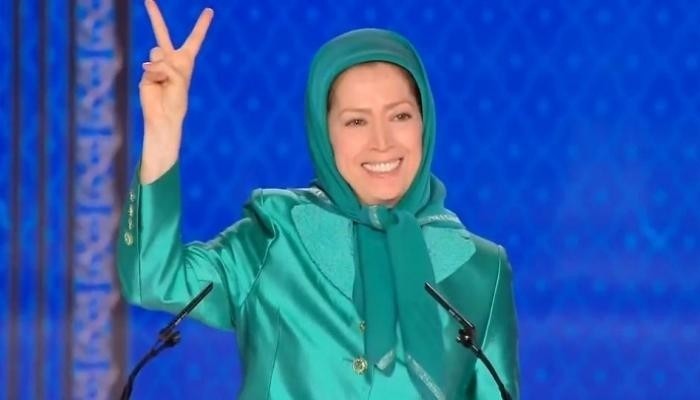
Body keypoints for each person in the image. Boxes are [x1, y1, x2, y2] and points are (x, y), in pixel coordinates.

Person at [117, 1, 520, 399]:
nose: (382, 142)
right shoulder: (274, 237)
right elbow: (150, 279)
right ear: (324, 134)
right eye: (356, 121)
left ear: (424, 123)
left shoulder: (482, 270)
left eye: (400, 116)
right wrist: (163, 129)